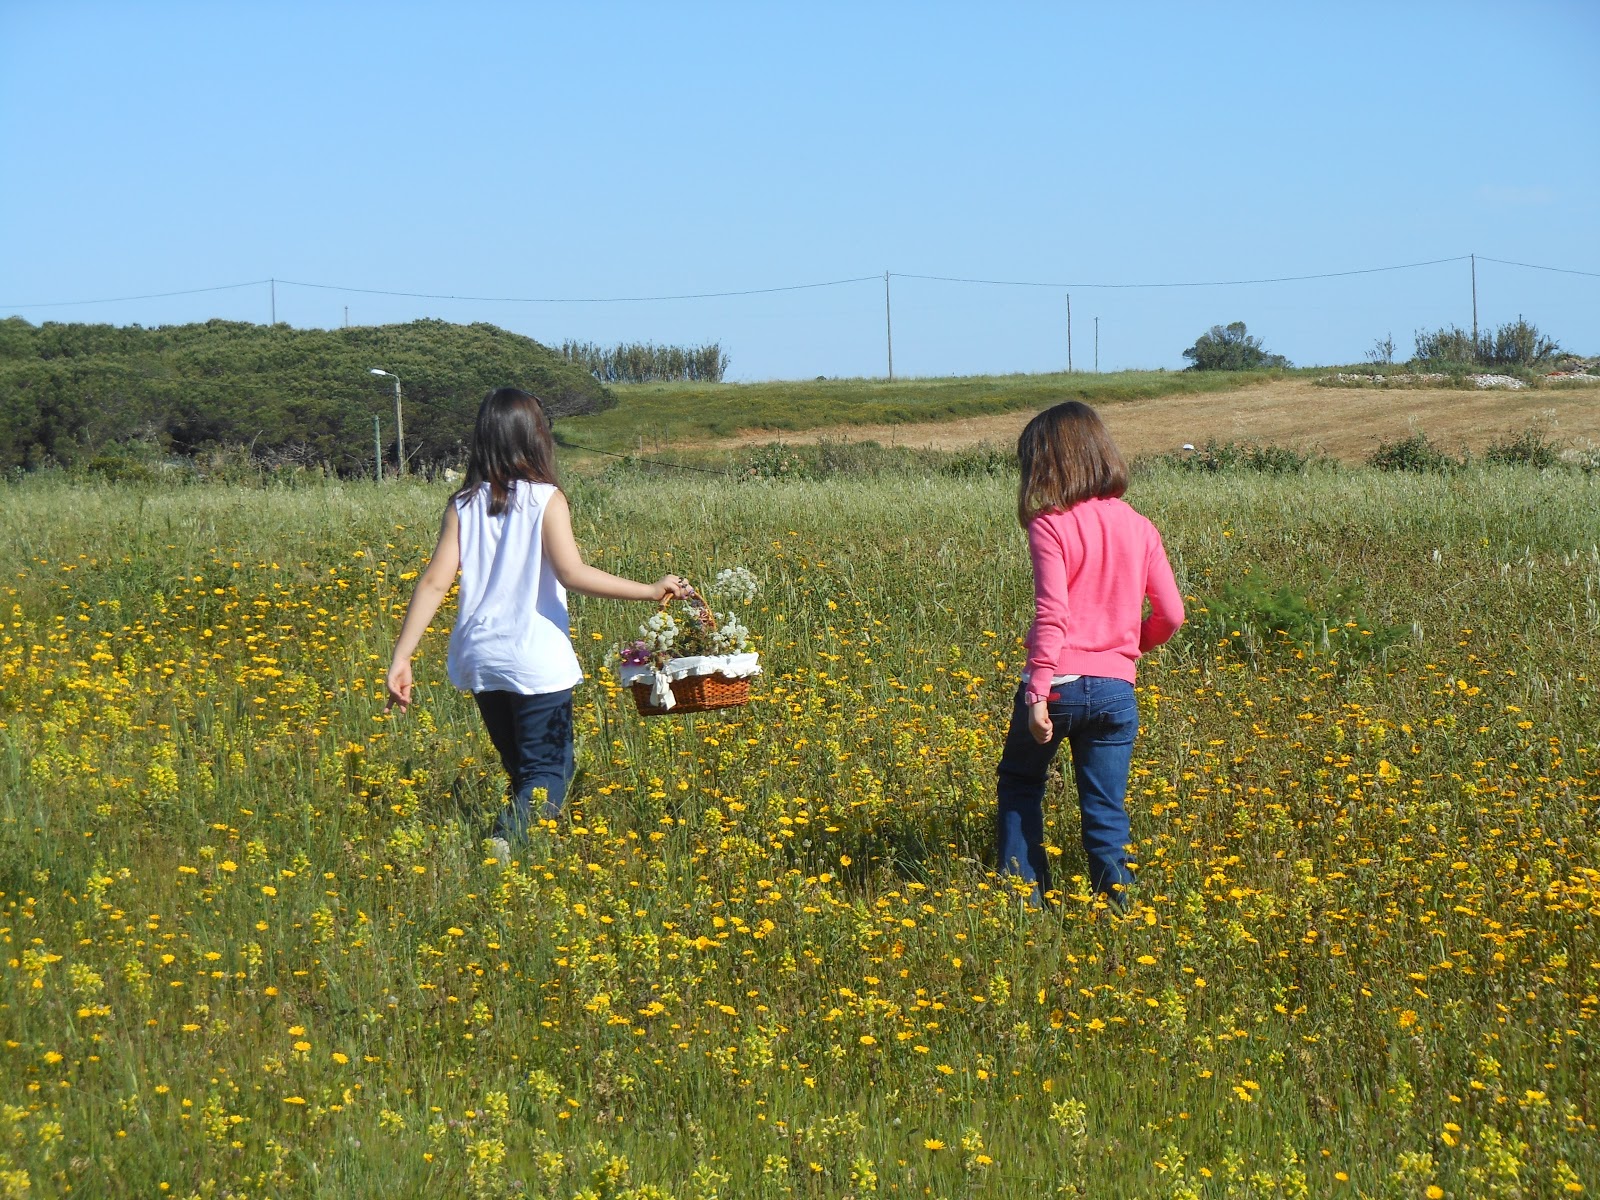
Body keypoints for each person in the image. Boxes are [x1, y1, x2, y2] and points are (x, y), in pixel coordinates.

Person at [385, 387, 687, 861]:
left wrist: (402, 657)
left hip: (480, 657)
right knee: (548, 770)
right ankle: (505, 841)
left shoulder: (463, 503)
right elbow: (573, 573)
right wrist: (650, 589)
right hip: (533, 659)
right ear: (536, 437)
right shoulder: (547, 499)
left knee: (523, 771)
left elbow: (432, 584)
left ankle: (519, 840)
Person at [996, 400, 1184, 910]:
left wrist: (1037, 693)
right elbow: (1171, 614)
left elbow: (1052, 614)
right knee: (1105, 809)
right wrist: (1124, 652)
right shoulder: (1140, 526)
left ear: (1050, 463)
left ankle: (1024, 906)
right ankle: (1120, 913)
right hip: (1116, 689)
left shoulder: (1049, 523)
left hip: (1057, 682)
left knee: (1020, 783)